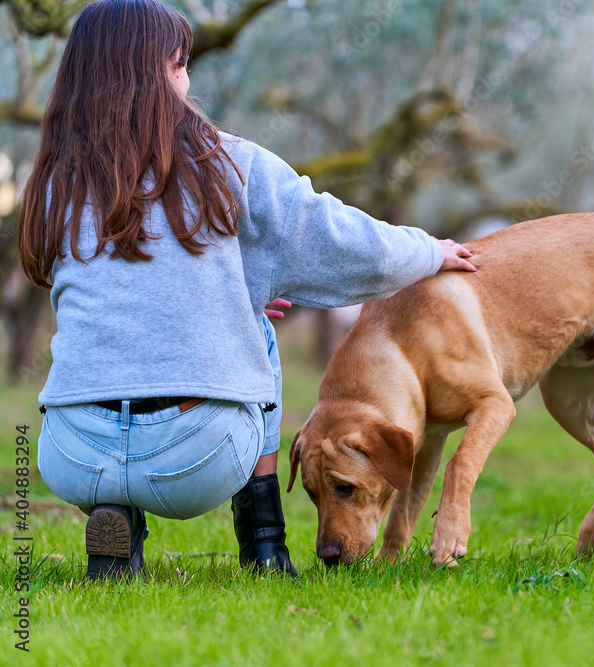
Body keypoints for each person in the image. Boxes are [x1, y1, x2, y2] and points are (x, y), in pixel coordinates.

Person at [17, 0, 476, 581]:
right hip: (196, 458)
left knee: (131, 347)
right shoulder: (226, 161)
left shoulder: (53, 181)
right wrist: (429, 251)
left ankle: (116, 516)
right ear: (158, 70)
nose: (188, 79)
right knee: (255, 326)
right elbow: (337, 237)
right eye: (181, 64)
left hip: (72, 452)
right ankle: (264, 543)